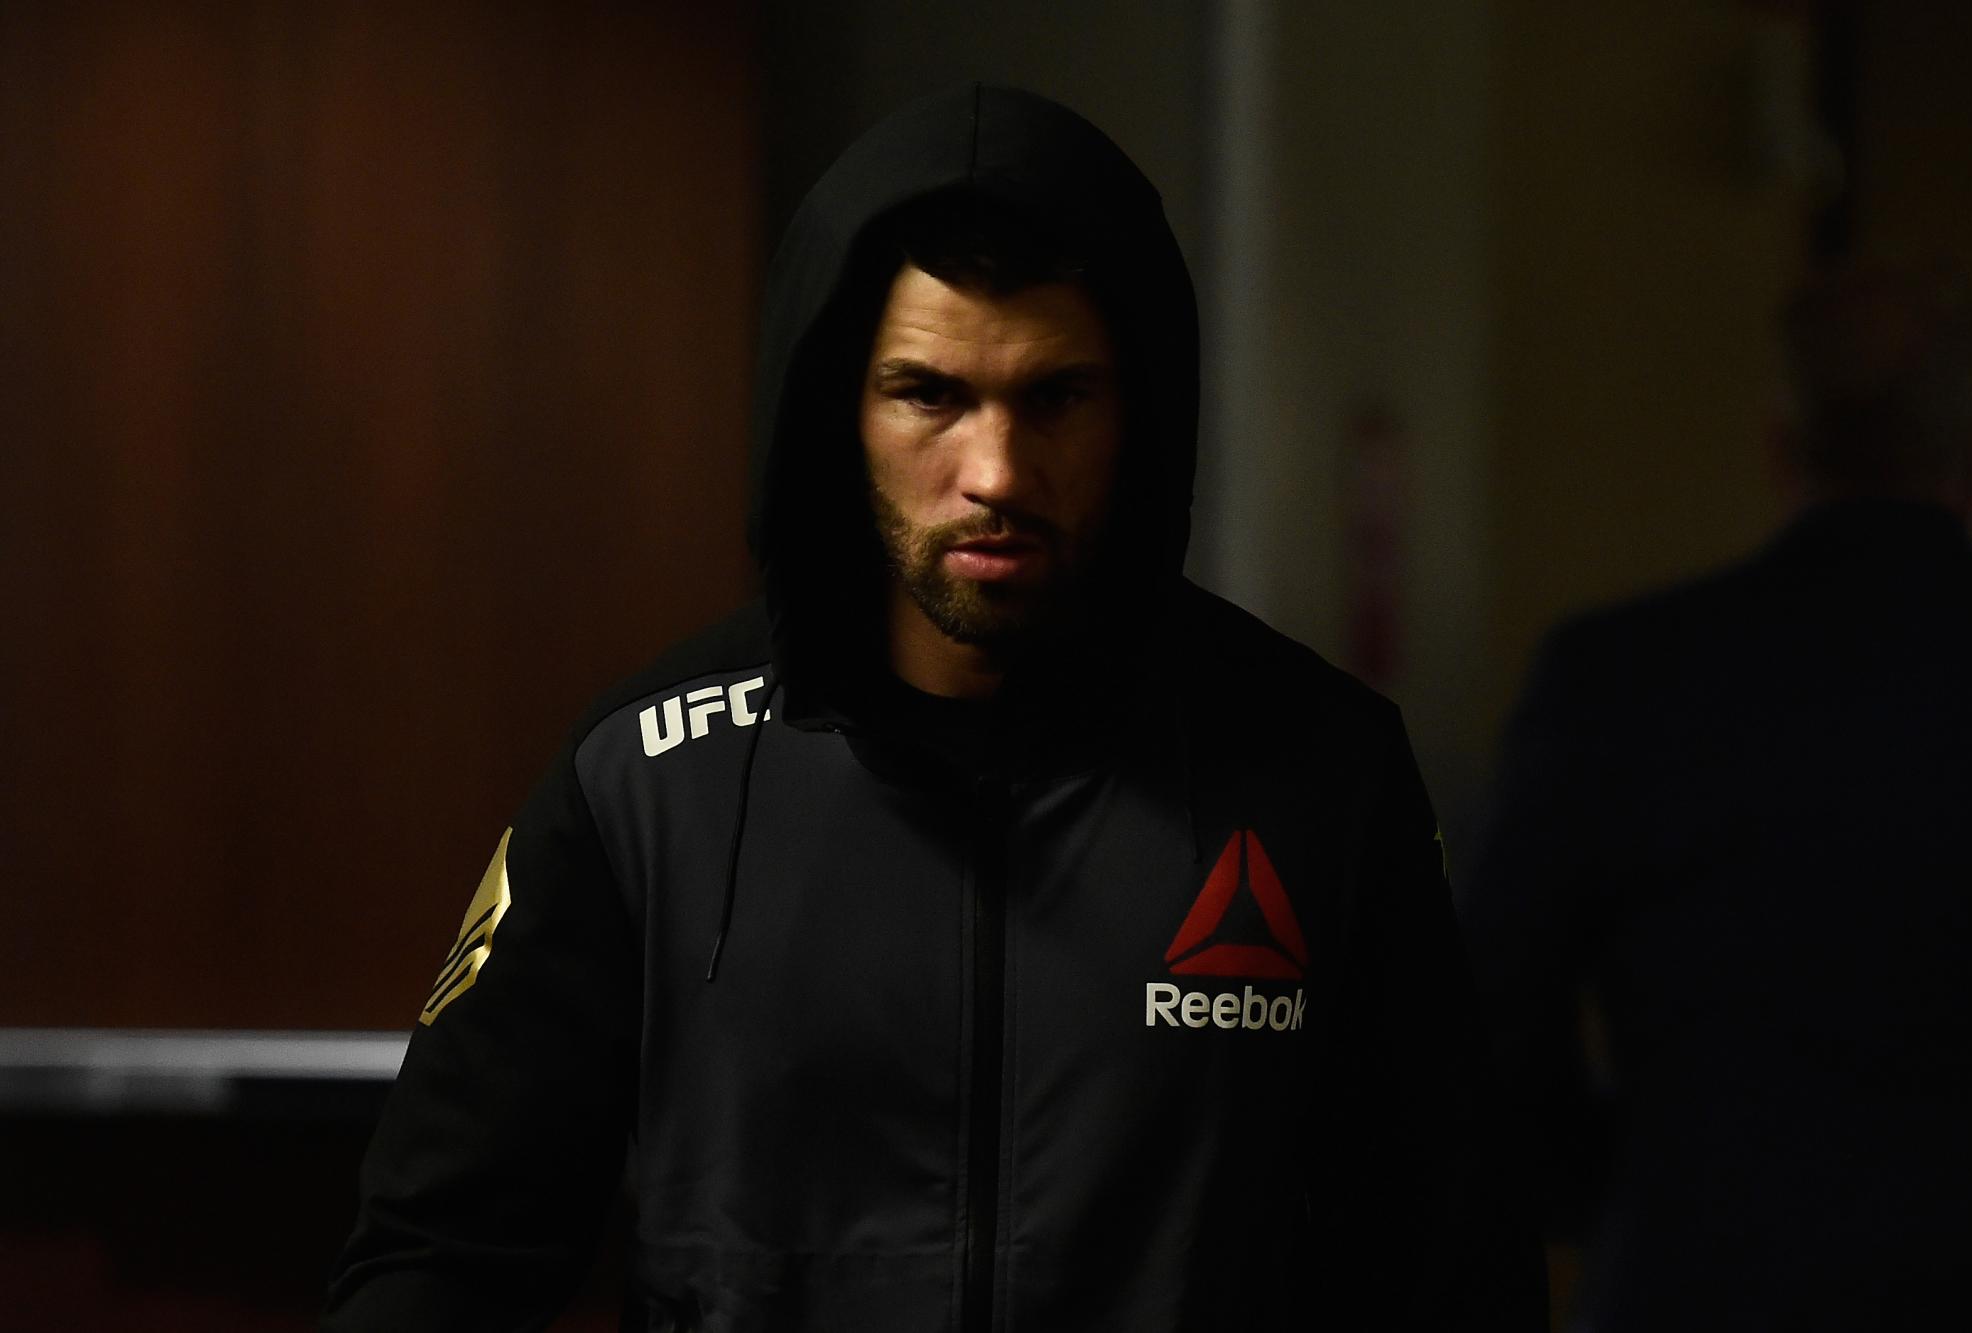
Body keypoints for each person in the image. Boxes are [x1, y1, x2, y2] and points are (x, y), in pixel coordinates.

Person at [324, 84, 1541, 1331]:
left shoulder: (1317, 774)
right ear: (838, 406)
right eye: (929, 394)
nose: (995, 473)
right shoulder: (650, 783)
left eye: (1056, 397)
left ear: (1137, 409)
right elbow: (440, 1259)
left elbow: (1453, 1274)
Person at [1459, 259, 1972, 1331]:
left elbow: (1483, 1026)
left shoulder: (1617, 677)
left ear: (1778, 446)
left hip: (1691, 1283)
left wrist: (1621, 1191)